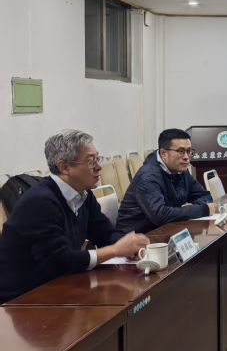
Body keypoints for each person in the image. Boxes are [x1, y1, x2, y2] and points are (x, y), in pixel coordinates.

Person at [0, 129, 150, 303]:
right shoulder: (40, 201)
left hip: (57, 284)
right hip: (21, 298)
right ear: (64, 167)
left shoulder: (83, 193)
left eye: (98, 158)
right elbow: (60, 259)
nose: (99, 166)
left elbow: (103, 231)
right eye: (91, 161)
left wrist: (128, 245)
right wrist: (115, 250)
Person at [116, 128, 215, 234]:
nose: (186, 157)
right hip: (137, 237)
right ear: (163, 153)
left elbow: (204, 195)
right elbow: (159, 215)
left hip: (166, 230)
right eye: (181, 152)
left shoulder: (181, 170)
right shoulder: (148, 177)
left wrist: (195, 206)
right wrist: (202, 210)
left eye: (189, 151)